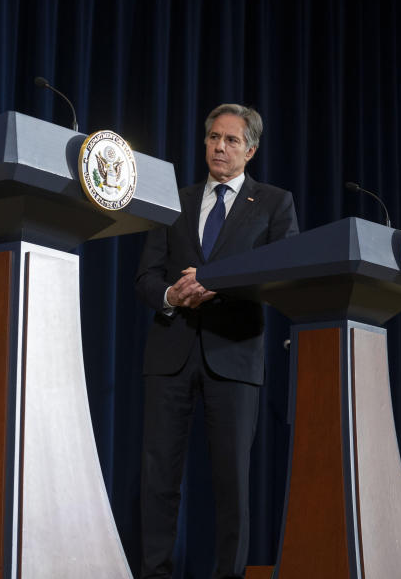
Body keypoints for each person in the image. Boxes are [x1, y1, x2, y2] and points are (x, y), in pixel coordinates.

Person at [135, 104, 299, 579]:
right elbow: (146, 275)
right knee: (158, 477)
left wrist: (218, 282)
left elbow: (285, 271)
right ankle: (156, 572)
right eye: (213, 138)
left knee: (232, 484)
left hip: (234, 354)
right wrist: (171, 293)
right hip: (171, 353)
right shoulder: (175, 200)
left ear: (250, 150)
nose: (219, 147)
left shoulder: (273, 202)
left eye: (230, 140)